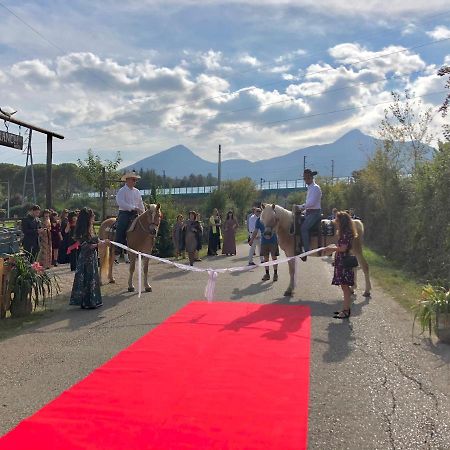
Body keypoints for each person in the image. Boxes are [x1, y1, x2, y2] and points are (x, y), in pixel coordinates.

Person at [324, 211, 357, 319]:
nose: (335, 222)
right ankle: (344, 309)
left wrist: (330, 248)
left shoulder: (346, 233)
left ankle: (346, 311)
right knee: (344, 287)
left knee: (345, 287)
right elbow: (342, 247)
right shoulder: (345, 232)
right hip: (341, 261)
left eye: (337, 220)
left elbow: (343, 248)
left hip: (344, 262)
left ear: (341, 222)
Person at [69, 208, 105, 309]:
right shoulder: (81, 230)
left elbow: (95, 240)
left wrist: (103, 242)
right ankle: (86, 302)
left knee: (92, 278)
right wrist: (99, 245)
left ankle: (93, 300)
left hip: (92, 257)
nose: (93, 218)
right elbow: (86, 246)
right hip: (85, 258)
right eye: (92, 216)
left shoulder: (91, 228)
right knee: (86, 279)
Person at [115, 171, 145, 262]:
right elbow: (120, 202)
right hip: (125, 213)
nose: (135, 181)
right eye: (133, 179)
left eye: (135, 180)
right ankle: (117, 251)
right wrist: (133, 208)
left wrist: (143, 212)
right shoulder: (122, 191)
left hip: (135, 213)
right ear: (127, 180)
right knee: (121, 228)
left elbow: (140, 203)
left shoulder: (137, 191)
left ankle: (141, 249)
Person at [294, 168, 322, 261]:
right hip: (310, 212)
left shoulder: (315, 188)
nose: (305, 180)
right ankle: (300, 245)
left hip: (315, 213)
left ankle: (306, 251)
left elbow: (312, 203)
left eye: (306, 178)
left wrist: (300, 207)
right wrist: (303, 210)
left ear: (310, 178)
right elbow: (309, 205)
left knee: (304, 228)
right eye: (304, 178)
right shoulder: (311, 188)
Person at [249, 214, 279, 282]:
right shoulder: (259, 220)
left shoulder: (273, 218)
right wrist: (251, 239)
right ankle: (267, 274)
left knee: (274, 258)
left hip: (273, 241)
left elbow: (277, 227)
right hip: (264, 242)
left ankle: (275, 274)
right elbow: (255, 230)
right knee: (266, 259)